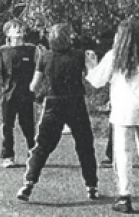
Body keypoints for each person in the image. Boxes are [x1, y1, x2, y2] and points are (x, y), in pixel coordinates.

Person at [86, 18, 139, 213]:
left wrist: (91, 66)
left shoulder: (115, 56)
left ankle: (125, 195)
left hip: (123, 110)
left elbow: (97, 81)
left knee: (123, 154)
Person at [16, 23, 99, 202]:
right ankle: (91, 186)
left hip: (53, 102)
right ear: (69, 38)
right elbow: (93, 78)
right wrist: (92, 62)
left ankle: (29, 183)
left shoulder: (45, 57)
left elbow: (34, 86)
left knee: (42, 145)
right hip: (76, 101)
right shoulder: (79, 55)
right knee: (85, 144)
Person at [0, 19, 38, 168]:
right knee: (7, 125)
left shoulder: (32, 49)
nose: (18, 30)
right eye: (14, 28)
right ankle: (7, 156)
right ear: (7, 33)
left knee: (28, 126)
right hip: (9, 94)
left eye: (20, 28)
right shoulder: (3, 50)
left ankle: (33, 155)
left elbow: (40, 67)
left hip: (26, 94)